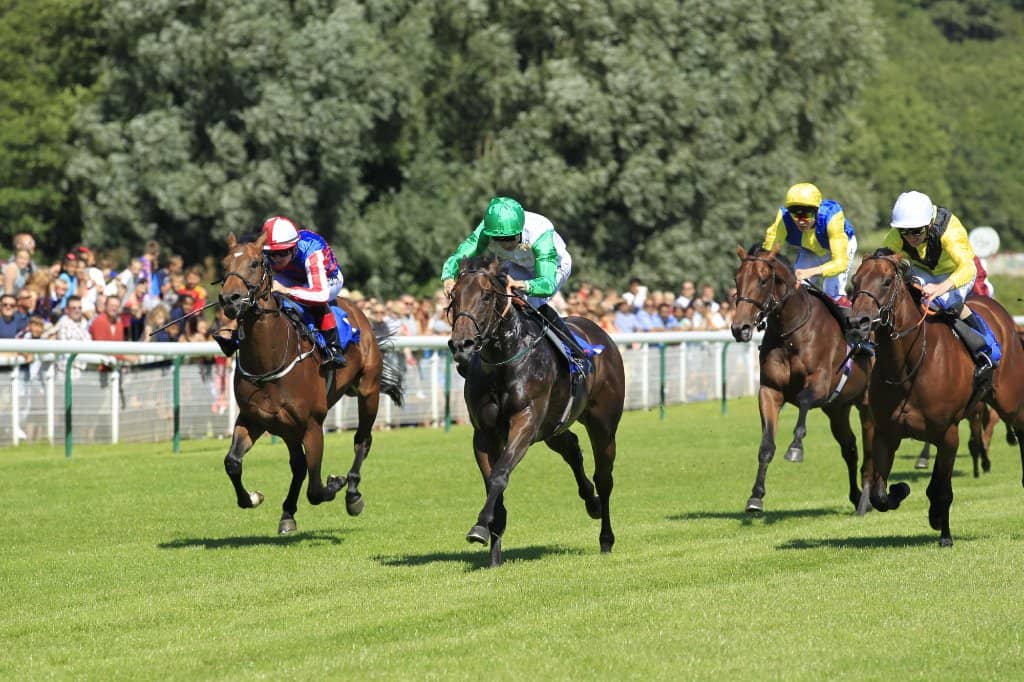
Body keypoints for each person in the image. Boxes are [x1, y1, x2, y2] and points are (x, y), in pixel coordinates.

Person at [441, 196, 586, 361]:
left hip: (553, 268)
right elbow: (459, 255)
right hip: (518, 264)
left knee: (532, 302)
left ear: (520, 229)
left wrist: (520, 284)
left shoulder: (540, 234)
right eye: (498, 239)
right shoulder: (487, 228)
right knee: (498, 297)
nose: (504, 244)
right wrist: (448, 277)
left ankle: (575, 352)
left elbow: (547, 284)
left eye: (510, 238)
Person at [884, 190, 1001, 382]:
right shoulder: (898, 234)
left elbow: (968, 268)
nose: (910, 237)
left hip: (956, 271)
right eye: (905, 232)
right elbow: (883, 259)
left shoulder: (949, 230)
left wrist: (942, 288)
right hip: (924, 271)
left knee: (943, 302)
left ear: (929, 224)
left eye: (916, 231)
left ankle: (987, 350)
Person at [221, 215, 347, 369]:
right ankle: (237, 337)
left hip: (327, 279)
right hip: (291, 275)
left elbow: (320, 295)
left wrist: (287, 291)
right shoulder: (269, 252)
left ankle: (334, 348)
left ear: (294, 248)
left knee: (314, 303)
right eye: (272, 254)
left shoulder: (312, 251)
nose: (277, 259)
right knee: (260, 294)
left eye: (283, 253)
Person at [762, 182, 868, 354]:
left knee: (832, 292)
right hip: (810, 249)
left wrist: (810, 272)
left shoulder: (832, 217)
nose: (801, 220)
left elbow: (840, 263)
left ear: (817, 210)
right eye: (796, 213)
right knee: (794, 291)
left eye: (808, 213)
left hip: (839, 250)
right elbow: (768, 254)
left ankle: (858, 340)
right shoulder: (783, 218)